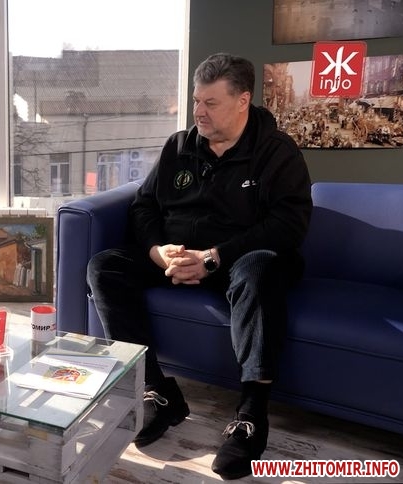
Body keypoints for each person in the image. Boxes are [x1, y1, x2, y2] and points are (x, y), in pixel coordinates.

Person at [87, 53, 312, 480]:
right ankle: (157, 391)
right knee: (105, 267)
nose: (198, 112)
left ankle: (251, 416)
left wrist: (213, 257)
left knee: (260, 270)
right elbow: (144, 206)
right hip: (181, 256)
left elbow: (288, 225)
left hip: (240, 259)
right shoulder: (178, 147)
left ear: (242, 101)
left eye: (210, 103)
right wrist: (157, 251)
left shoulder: (277, 152)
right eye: (196, 101)